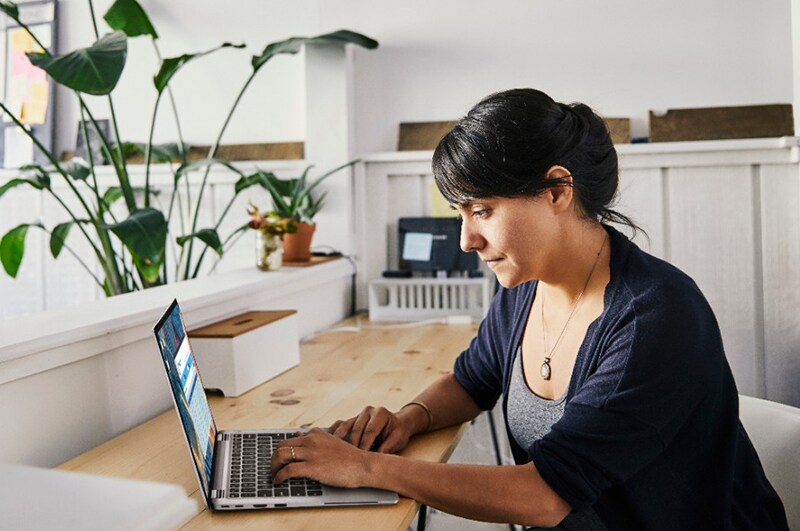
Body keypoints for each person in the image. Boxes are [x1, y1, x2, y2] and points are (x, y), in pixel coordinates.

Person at [270, 88, 789, 530]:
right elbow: (472, 380)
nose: (467, 239)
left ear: (558, 190)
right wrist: (411, 418)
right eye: (460, 213)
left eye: (482, 210)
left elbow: (545, 496)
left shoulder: (655, 316)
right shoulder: (523, 284)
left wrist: (367, 470)